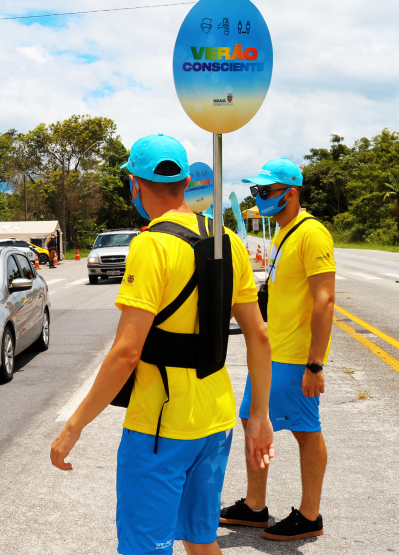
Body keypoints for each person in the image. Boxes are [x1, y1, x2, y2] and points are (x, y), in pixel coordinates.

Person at [50, 133, 275, 555]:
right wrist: (259, 416)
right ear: (186, 181)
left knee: (144, 548)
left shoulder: (151, 245)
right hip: (216, 420)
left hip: (160, 427)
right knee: (201, 538)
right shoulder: (228, 241)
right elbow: (259, 335)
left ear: (134, 185)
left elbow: (126, 352)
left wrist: (73, 426)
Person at [220, 158, 335, 541]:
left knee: (305, 431)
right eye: (258, 191)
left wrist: (314, 364)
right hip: (272, 351)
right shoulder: (283, 233)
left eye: (267, 191)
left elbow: (324, 300)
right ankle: (255, 507)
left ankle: (310, 515)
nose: (262, 197)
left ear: (292, 191)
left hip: (296, 356)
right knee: (252, 421)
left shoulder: (312, 233)